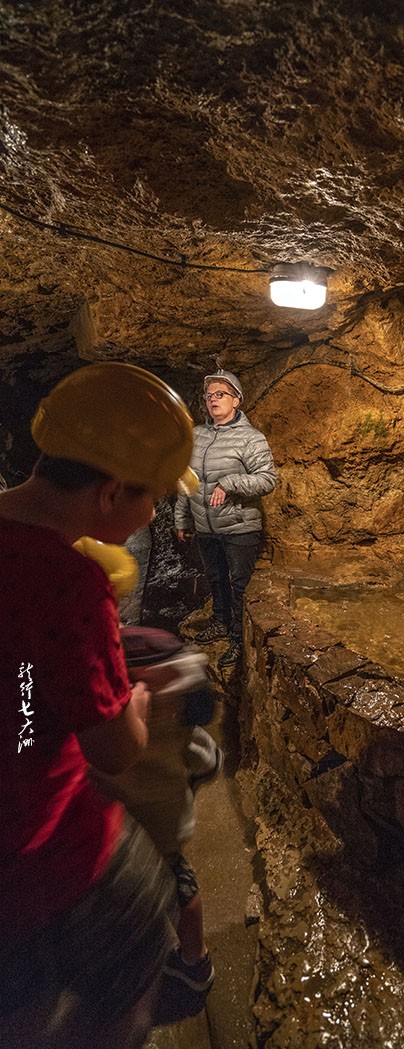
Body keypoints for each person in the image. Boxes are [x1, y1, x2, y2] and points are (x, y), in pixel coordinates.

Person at [0, 362, 198, 1049]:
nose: (158, 510)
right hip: (35, 850)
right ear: (112, 490)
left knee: (17, 1001)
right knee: (144, 927)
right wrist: (138, 699)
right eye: (158, 497)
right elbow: (112, 750)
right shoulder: (69, 580)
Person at [73, 539, 222, 998]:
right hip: (161, 816)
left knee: (128, 891)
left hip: (115, 819)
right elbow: (203, 743)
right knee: (180, 887)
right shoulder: (162, 659)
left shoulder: (91, 664)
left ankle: (137, 967)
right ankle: (194, 964)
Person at [175, 369, 277, 668]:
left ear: (236, 400)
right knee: (216, 579)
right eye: (209, 396)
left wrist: (230, 483)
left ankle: (238, 639)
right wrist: (182, 519)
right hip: (206, 526)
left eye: (220, 394)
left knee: (240, 584)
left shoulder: (251, 439)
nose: (213, 400)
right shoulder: (196, 435)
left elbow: (267, 480)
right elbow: (187, 480)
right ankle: (221, 622)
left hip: (239, 527)